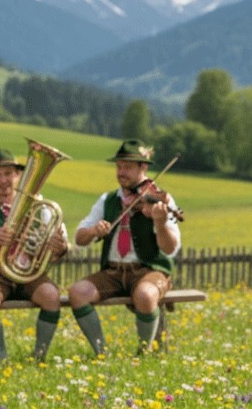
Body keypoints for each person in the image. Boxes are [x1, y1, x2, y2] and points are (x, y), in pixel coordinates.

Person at [68, 139, 180, 355]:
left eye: (128, 167)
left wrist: (160, 222)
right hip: (113, 271)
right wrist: (94, 231)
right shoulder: (108, 200)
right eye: (119, 166)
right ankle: (102, 353)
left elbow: (170, 249)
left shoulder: (158, 200)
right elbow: (80, 238)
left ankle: (143, 352)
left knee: (146, 296)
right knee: (77, 293)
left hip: (149, 270)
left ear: (143, 168)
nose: (121, 172)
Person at [0, 148, 68, 361]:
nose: (3, 180)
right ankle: (1, 357)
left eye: (8, 174)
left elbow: (60, 249)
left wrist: (57, 248)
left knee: (51, 296)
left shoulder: (41, 207)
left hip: (30, 274)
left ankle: (39, 357)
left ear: (19, 175)